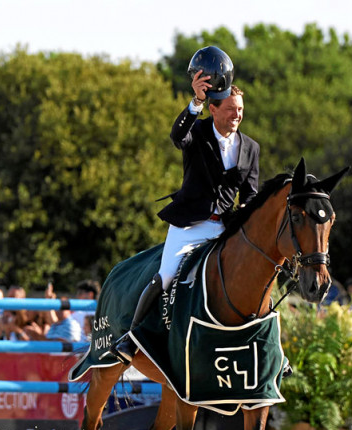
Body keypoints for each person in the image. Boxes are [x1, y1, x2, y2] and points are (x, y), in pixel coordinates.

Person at [109, 46, 260, 364]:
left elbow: (250, 194)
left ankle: (263, 345)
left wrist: (248, 215)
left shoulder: (251, 148)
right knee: (165, 275)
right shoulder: (198, 133)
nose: (237, 116)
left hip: (226, 227)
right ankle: (131, 337)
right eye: (231, 110)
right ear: (214, 110)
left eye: (241, 110)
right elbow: (177, 136)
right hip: (190, 224)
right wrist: (196, 102)